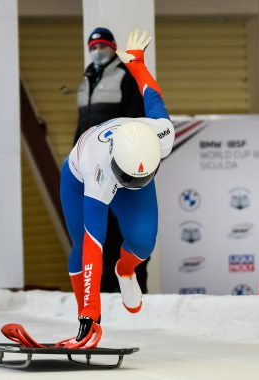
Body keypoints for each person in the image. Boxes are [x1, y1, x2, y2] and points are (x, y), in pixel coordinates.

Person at [60, 30, 174, 346]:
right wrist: (90, 316)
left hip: (126, 159)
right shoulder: (97, 170)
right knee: (83, 245)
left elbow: (152, 94)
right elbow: (93, 242)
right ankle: (86, 315)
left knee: (143, 241)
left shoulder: (163, 133)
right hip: (80, 175)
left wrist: (137, 63)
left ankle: (126, 271)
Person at [75, 27, 149, 294]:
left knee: (128, 232)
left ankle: (134, 290)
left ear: (112, 47)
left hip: (121, 170)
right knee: (99, 234)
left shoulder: (125, 77)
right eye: (93, 47)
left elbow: (136, 121)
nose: (97, 51)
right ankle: (104, 295)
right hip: (93, 172)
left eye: (103, 46)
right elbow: (82, 127)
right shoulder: (86, 82)